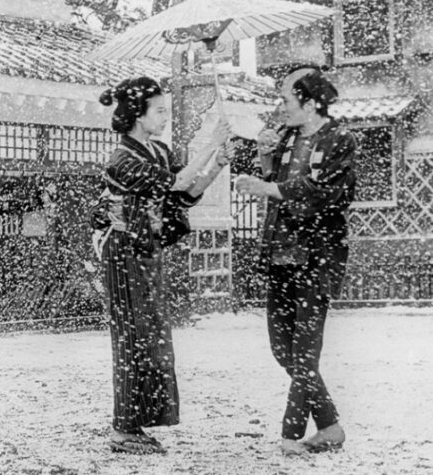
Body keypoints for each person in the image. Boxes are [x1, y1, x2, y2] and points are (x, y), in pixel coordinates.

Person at [93, 76, 231, 454]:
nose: (165, 116)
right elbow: (175, 181)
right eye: (159, 110)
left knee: (152, 337)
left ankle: (137, 421)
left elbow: (184, 195)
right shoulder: (122, 158)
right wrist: (211, 142)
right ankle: (123, 427)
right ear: (138, 115)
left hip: (147, 249)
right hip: (123, 251)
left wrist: (217, 164)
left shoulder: (157, 150)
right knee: (132, 336)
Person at [233, 65, 357, 456]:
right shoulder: (286, 137)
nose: (281, 107)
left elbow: (323, 194)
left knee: (305, 350)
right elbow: (271, 178)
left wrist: (268, 185)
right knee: (283, 349)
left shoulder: (339, 139)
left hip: (317, 257)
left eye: (286, 99)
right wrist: (263, 155)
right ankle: (330, 426)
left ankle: (290, 435)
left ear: (311, 101)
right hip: (280, 255)